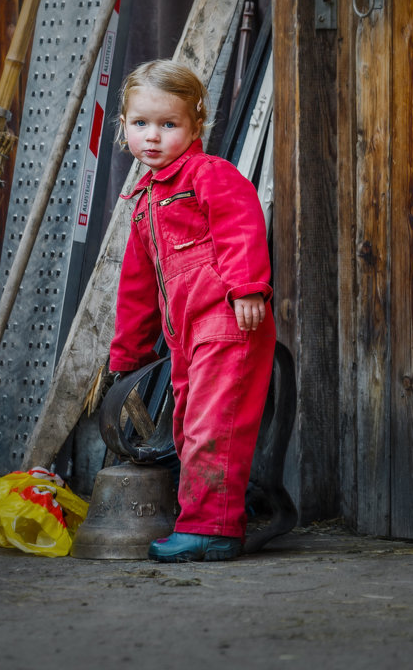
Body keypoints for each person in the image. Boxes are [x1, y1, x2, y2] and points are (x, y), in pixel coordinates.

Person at [108, 59, 276, 562]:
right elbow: (136, 287)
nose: (153, 137)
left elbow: (241, 226)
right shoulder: (143, 200)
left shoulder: (208, 175)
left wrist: (247, 288)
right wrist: (128, 355)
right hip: (186, 334)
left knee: (212, 424)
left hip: (227, 319)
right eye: (140, 124)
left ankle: (211, 529)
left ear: (195, 125)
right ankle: (216, 519)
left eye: (168, 124)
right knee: (186, 426)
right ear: (124, 127)